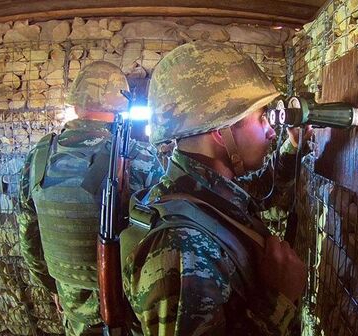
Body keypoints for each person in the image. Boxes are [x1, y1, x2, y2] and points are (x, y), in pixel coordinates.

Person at [121, 41, 311, 335]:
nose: (271, 129)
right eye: (261, 118)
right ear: (222, 131)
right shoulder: (181, 246)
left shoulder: (199, 192)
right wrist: (279, 298)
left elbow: (257, 191)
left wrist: (294, 145)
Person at [17, 61, 164, 336]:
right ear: (122, 106)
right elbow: (164, 240)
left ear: (75, 104)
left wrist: (55, 288)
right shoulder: (141, 158)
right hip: (131, 311)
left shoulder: (38, 157)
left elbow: (29, 237)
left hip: (73, 308)